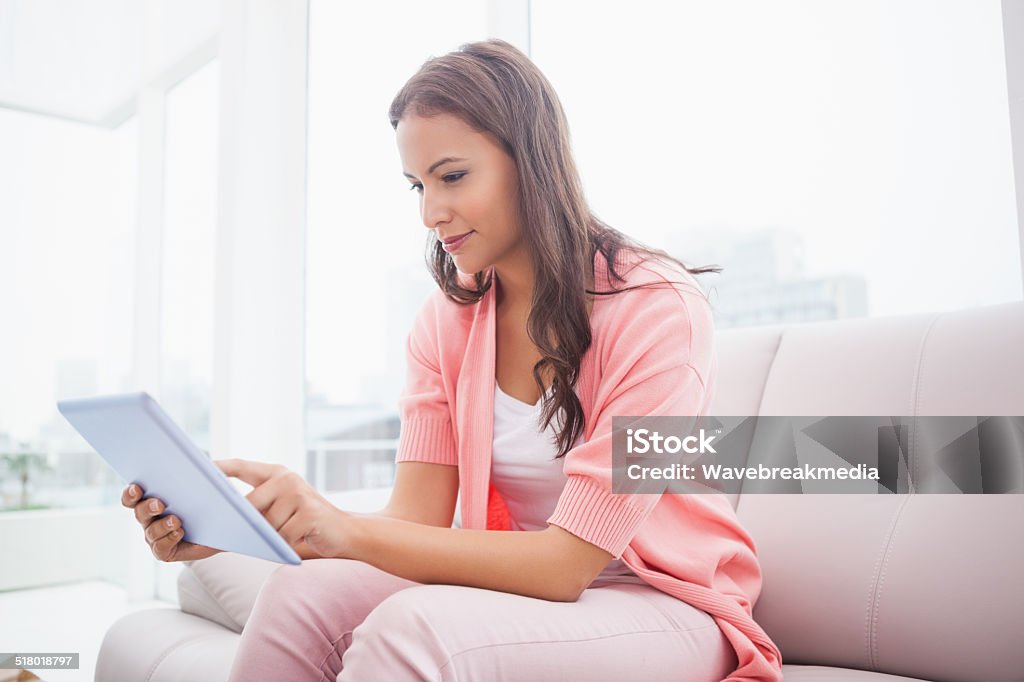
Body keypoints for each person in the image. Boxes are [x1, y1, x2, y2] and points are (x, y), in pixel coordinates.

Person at [121, 39, 784, 681]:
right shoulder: (446, 323)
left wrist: (342, 530)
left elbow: (567, 564)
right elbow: (416, 519)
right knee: (302, 592)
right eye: (416, 186)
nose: (431, 212)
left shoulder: (657, 308)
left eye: (453, 176)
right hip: (539, 594)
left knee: (413, 632)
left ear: (531, 159)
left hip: (664, 604)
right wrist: (245, 530)